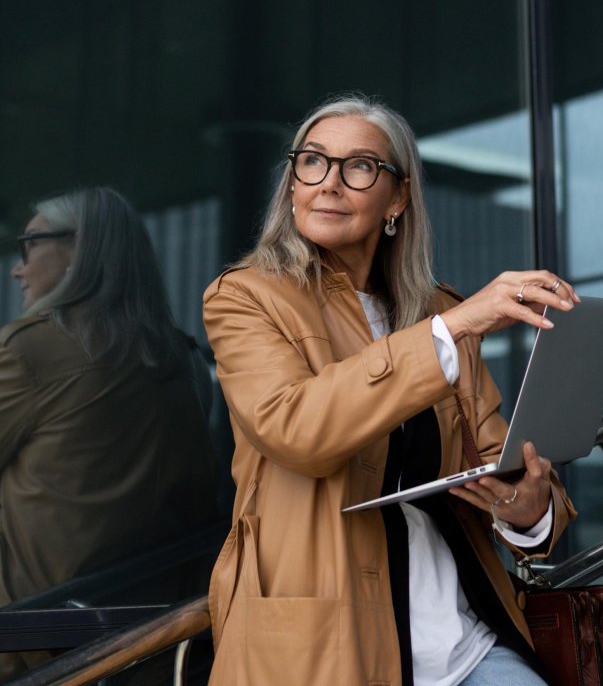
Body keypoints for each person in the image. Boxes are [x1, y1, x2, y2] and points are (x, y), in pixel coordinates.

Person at [202, 94, 580, 685]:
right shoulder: (245, 297)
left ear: (397, 198)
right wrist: (452, 329)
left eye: (359, 167)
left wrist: (527, 511)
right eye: (313, 161)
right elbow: (296, 430)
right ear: (293, 181)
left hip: (464, 643)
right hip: (326, 649)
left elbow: (506, 467)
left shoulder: (436, 310)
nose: (328, 183)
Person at [0, 187, 218, 676]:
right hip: (152, 640)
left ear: (82, 248)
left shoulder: (31, 350)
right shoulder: (184, 360)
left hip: (31, 643)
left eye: (30, 245)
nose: (18, 268)